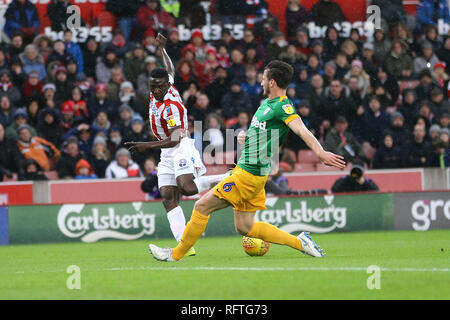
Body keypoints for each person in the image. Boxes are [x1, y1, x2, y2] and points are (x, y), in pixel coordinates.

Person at [148, 60, 346, 262]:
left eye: (264, 77)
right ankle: (301, 242)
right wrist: (247, 136)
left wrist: (320, 153)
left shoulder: (283, 105)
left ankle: (175, 254)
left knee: (201, 206)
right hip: (253, 173)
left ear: (272, 82)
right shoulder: (267, 105)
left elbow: (300, 129)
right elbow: (266, 134)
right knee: (244, 227)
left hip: (248, 174)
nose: (261, 80)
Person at [125, 34, 231, 256]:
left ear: (166, 86)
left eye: (159, 87)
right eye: (152, 87)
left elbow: (174, 138)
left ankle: (226, 179)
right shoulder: (162, 88)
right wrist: (162, 49)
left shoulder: (172, 105)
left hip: (179, 146)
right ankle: (185, 245)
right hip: (166, 152)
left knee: (188, 188)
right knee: (167, 196)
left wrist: (146, 146)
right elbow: (170, 69)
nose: (155, 91)